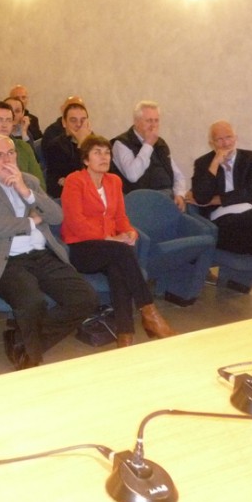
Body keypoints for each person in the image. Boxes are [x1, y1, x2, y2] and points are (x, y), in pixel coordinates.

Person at [0, 134, 97, 369]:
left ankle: (22, 339)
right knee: (32, 302)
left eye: (10, 153)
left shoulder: (29, 181)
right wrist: (31, 222)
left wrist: (26, 192)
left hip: (41, 254)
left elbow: (57, 216)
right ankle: (30, 361)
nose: (6, 160)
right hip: (6, 260)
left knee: (85, 298)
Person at [61, 135, 174, 347]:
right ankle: (149, 313)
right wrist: (110, 238)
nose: (104, 157)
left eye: (107, 153)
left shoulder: (114, 181)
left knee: (117, 269)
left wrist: (129, 232)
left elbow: (120, 217)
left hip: (109, 249)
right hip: (82, 248)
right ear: (86, 159)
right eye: (97, 153)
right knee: (120, 251)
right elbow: (76, 222)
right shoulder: (75, 181)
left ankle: (125, 336)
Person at [191, 121, 252, 314]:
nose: (225, 143)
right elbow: (201, 196)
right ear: (212, 143)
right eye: (219, 139)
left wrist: (219, 199)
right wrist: (215, 164)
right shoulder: (203, 163)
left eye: (228, 137)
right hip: (226, 228)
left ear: (236, 138)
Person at [112, 100, 189, 211]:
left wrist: (180, 194)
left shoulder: (160, 143)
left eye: (156, 121)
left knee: (198, 222)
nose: (153, 126)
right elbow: (132, 175)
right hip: (142, 202)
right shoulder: (121, 144)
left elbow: (178, 175)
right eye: (149, 121)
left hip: (168, 198)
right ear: (136, 122)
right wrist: (148, 145)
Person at [42, 101, 94, 197]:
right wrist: (81, 144)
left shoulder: (98, 144)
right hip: (69, 196)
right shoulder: (55, 146)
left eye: (83, 120)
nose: (79, 124)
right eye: (73, 120)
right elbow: (53, 185)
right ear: (64, 122)